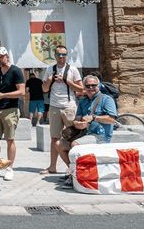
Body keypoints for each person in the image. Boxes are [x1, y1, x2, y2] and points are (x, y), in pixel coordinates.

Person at [56, 74, 117, 188]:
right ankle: (74, 172)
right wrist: (77, 124)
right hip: (85, 134)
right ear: (84, 87)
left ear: (99, 86)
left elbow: (112, 120)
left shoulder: (106, 99)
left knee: (75, 145)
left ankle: (74, 176)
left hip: (101, 136)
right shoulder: (83, 101)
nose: (91, 88)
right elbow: (77, 118)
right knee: (59, 144)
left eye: (94, 85)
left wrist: (94, 117)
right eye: (88, 86)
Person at [40, 45, 83, 175]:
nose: (62, 57)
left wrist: (65, 80)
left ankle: (74, 166)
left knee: (72, 137)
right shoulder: (49, 69)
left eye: (64, 54)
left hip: (69, 106)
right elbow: (44, 89)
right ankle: (52, 167)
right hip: (54, 106)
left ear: (67, 55)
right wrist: (50, 79)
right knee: (54, 138)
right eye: (59, 55)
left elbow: (80, 89)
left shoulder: (73, 70)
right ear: (55, 56)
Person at [0, 46, 25, 181]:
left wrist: (3, 95)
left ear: (6, 56)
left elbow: (21, 92)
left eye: (0, 57)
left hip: (11, 109)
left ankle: (9, 168)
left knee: (10, 139)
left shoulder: (16, 71)